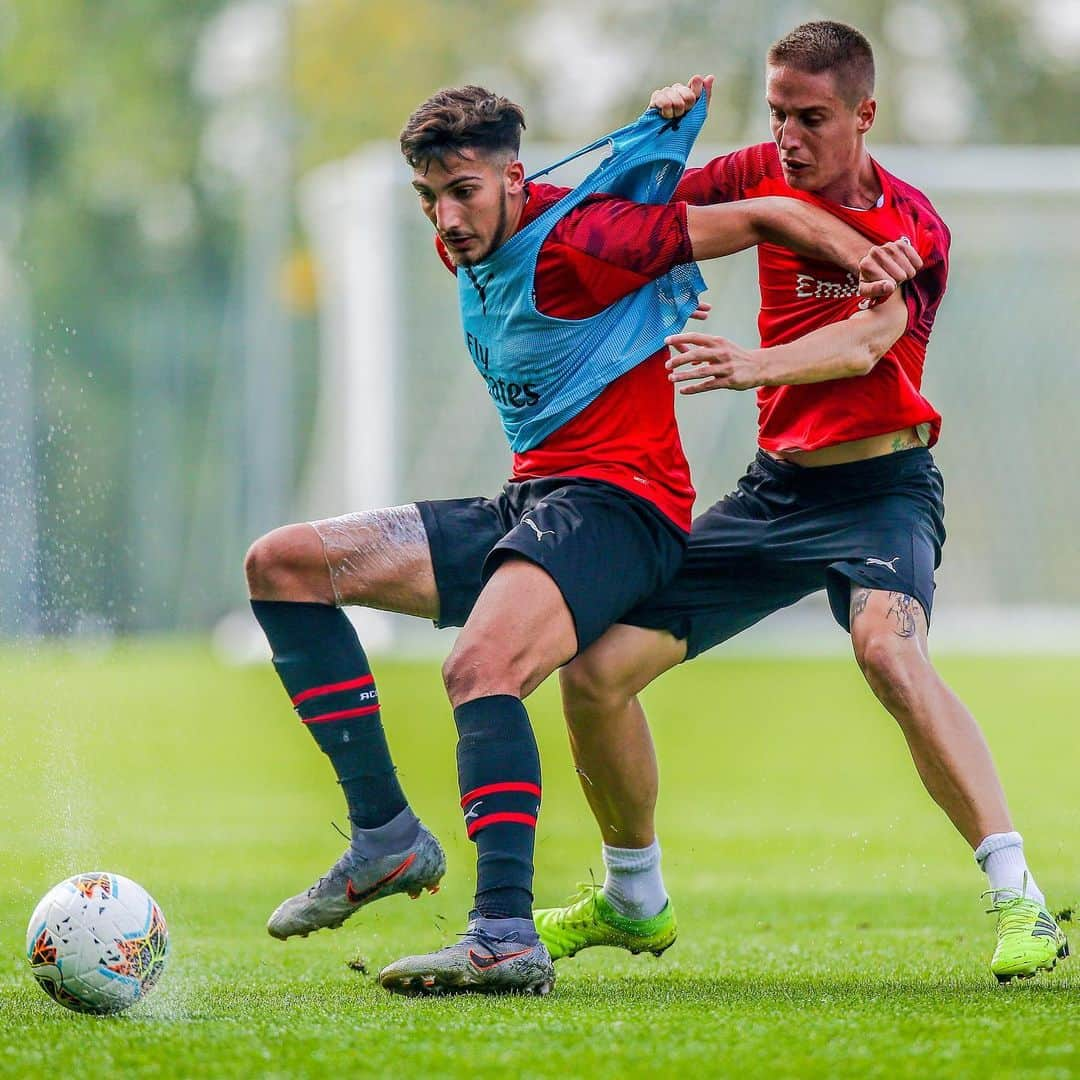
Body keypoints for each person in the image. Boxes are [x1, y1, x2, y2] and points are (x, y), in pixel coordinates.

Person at [245, 82, 907, 996]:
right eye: (429, 196)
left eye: (465, 191)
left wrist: (868, 258)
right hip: (537, 502)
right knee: (281, 564)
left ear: (515, 177)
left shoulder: (588, 245)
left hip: (622, 510)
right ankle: (385, 837)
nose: (446, 217)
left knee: (481, 669)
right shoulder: (476, 243)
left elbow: (763, 212)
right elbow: (616, 198)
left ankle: (504, 935)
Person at [536, 21, 1069, 985]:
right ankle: (633, 897)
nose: (787, 134)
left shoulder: (913, 226)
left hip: (882, 493)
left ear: (864, 115)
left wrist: (754, 364)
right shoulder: (754, 171)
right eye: (777, 112)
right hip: (777, 494)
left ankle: (1020, 899)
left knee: (889, 653)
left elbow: (866, 344)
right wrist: (652, 136)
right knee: (595, 673)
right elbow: (617, 218)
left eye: (811, 117)